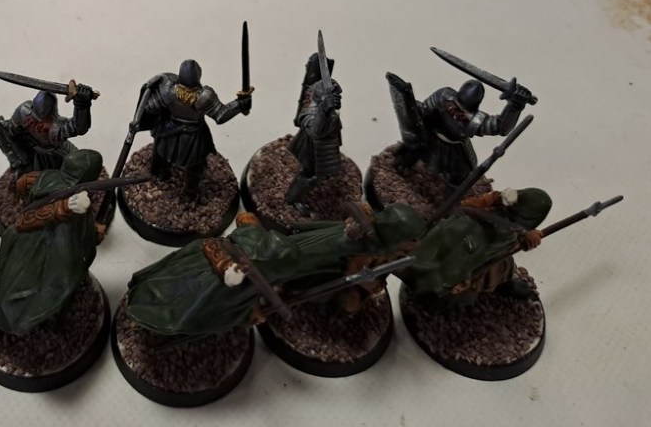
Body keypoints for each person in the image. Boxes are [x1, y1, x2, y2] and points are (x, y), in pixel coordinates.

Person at [124, 205, 427, 337]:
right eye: (410, 240)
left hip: (289, 262)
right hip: (307, 267)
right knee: (346, 302)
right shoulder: (361, 239)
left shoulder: (376, 243)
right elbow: (340, 257)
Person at [0, 149, 103, 335]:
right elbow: (28, 218)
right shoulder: (71, 201)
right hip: (40, 248)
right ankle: (12, 320)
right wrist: (65, 208)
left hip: (38, 242)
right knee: (29, 287)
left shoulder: (47, 178)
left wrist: (93, 230)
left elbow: (23, 183)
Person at [400, 187, 551, 302]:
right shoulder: (500, 231)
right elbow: (497, 248)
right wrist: (524, 238)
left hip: (454, 245)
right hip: (462, 257)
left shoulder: (498, 212)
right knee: (495, 270)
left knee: (503, 265)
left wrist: (525, 234)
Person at [135, 59, 251, 199]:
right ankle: (189, 193)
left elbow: (150, 107)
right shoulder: (204, 97)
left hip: (168, 131)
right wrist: (239, 105)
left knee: (162, 153)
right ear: (199, 77)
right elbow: (220, 115)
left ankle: (161, 174)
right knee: (195, 165)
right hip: (193, 137)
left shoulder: (167, 90)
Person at [391, 74, 531, 187]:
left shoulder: (476, 119)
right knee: (413, 148)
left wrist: (515, 105)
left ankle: (452, 193)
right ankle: (401, 165)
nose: (455, 113)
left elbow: (500, 127)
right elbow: (424, 111)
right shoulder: (443, 95)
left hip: (454, 145)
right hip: (430, 133)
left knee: (462, 172)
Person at [285, 53, 344, 208]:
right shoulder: (310, 110)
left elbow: (334, 129)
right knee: (308, 175)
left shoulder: (331, 110)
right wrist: (324, 109)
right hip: (311, 149)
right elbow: (314, 131)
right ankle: (293, 199)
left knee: (318, 175)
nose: (337, 98)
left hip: (325, 148)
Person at [5, 85, 94, 178]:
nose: (39, 126)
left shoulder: (56, 128)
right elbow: (11, 131)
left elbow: (79, 127)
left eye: (44, 121)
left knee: (81, 168)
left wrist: (82, 104)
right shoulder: (23, 112)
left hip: (57, 152)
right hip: (33, 151)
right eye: (36, 120)